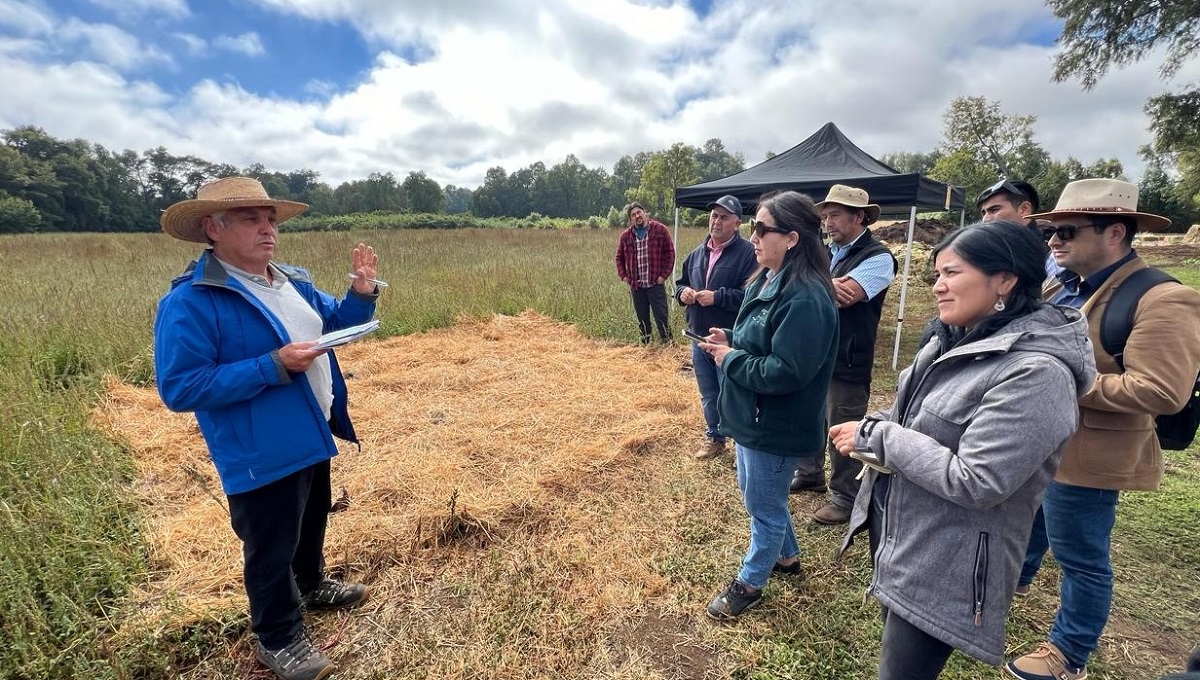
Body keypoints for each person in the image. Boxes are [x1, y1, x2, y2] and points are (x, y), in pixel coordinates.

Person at [830, 220, 1096, 680]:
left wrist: (880, 438)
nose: (938, 287)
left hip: (949, 562)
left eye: (951, 273)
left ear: (1004, 281)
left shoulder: (1036, 373)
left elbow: (979, 481)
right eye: (936, 275)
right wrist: (880, 430)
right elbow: (904, 417)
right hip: (907, 538)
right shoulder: (947, 341)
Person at [153, 176, 381, 680]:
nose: (267, 230)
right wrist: (271, 366)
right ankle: (277, 637)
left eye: (271, 219)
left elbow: (334, 321)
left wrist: (360, 295)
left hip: (313, 427)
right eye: (252, 219)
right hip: (260, 447)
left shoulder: (290, 281)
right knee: (270, 542)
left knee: (312, 513)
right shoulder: (192, 301)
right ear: (214, 227)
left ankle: (313, 582)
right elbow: (180, 387)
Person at [1005, 179, 1200, 680]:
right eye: (1052, 230)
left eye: (1067, 231)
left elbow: (1161, 391)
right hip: (1042, 440)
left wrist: (1058, 379)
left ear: (1115, 232)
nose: (1053, 241)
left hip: (1090, 453)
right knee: (1032, 524)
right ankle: (1012, 584)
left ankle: (1068, 655)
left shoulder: (1164, 299)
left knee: (1081, 558)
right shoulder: (1061, 285)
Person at [697, 191, 838, 620]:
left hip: (775, 422)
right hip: (752, 415)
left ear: (792, 238)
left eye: (762, 228)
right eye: (753, 227)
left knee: (763, 505)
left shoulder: (807, 297)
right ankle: (787, 558)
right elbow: (763, 341)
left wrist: (731, 359)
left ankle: (751, 582)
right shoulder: (766, 279)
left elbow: (787, 371)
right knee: (760, 495)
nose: (752, 236)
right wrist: (732, 341)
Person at [791, 185, 897, 526]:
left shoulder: (879, 257)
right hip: (817, 353)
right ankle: (809, 473)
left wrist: (811, 282)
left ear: (859, 216)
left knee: (842, 426)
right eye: (825, 215)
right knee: (809, 417)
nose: (827, 221)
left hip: (848, 358)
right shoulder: (826, 253)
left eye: (835, 214)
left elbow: (847, 294)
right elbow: (798, 284)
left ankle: (845, 497)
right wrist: (820, 282)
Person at [674, 194, 758, 461]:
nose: (717, 221)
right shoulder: (697, 254)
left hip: (730, 338)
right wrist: (682, 292)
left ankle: (742, 445)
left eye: (724, 217)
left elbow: (753, 297)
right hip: (698, 335)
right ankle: (714, 437)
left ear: (737, 223)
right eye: (714, 216)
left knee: (732, 391)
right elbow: (678, 283)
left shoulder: (749, 254)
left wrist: (718, 296)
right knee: (708, 393)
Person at [615, 202, 675, 343]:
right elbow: (619, 257)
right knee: (642, 320)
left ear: (645, 213)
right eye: (633, 215)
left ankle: (669, 347)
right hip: (637, 286)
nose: (637, 216)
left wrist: (663, 276)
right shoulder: (626, 237)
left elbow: (670, 253)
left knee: (662, 318)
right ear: (631, 220)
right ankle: (647, 349)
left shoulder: (660, 230)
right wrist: (624, 276)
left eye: (639, 212)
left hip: (655, 283)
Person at [977, 177, 1057, 280]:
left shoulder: (1054, 251)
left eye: (994, 210)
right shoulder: (994, 249)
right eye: (984, 213)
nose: (985, 219)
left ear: (1025, 209)